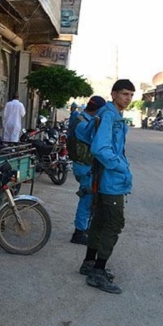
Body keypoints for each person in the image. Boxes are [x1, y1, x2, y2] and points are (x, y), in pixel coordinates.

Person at [78, 79, 134, 294]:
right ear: (113, 94)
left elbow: (84, 133)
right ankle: (97, 272)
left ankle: (89, 263)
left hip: (102, 179)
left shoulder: (107, 113)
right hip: (111, 181)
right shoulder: (110, 115)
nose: (127, 98)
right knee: (113, 223)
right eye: (124, 94)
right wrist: (121, 167)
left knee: (100, 221)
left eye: (130, 95)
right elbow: (100, 148)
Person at [68, 96, 106, 245]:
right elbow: (95, 142)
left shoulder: (79, 118)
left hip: (83, 165)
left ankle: (84, 228)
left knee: (90, 199)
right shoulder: (83, 125)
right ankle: (79, 232)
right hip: (84, 167)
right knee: (87, 198)